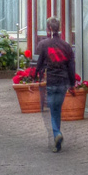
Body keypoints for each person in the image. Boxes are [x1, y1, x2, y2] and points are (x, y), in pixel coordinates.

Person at [34, 17, 76, 152]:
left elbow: (39, 63)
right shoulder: (66, 46)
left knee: (54, 111)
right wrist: (72, 83)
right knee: (57, 109)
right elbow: (71, 66)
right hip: (63, 82)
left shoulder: (44, 44)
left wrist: (36, 76)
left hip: (52, 81)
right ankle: (57, 141)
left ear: (49, 28)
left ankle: (57, 134)